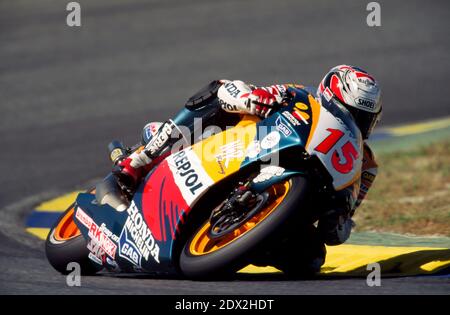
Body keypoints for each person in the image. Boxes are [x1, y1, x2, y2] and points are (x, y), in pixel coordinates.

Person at [114, 65, 382, 273]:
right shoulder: (301, 95)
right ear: (329, 96)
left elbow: (338, 227)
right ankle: (140, 158)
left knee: (311, 260)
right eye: (348, 111)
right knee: (220, 90)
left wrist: (340, 221)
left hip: (287, 199)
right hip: (234, 147)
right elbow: (236, 93)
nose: (353, 122)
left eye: (362, 118)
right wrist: (250, 99)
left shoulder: (365, 163)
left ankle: (241, 244)